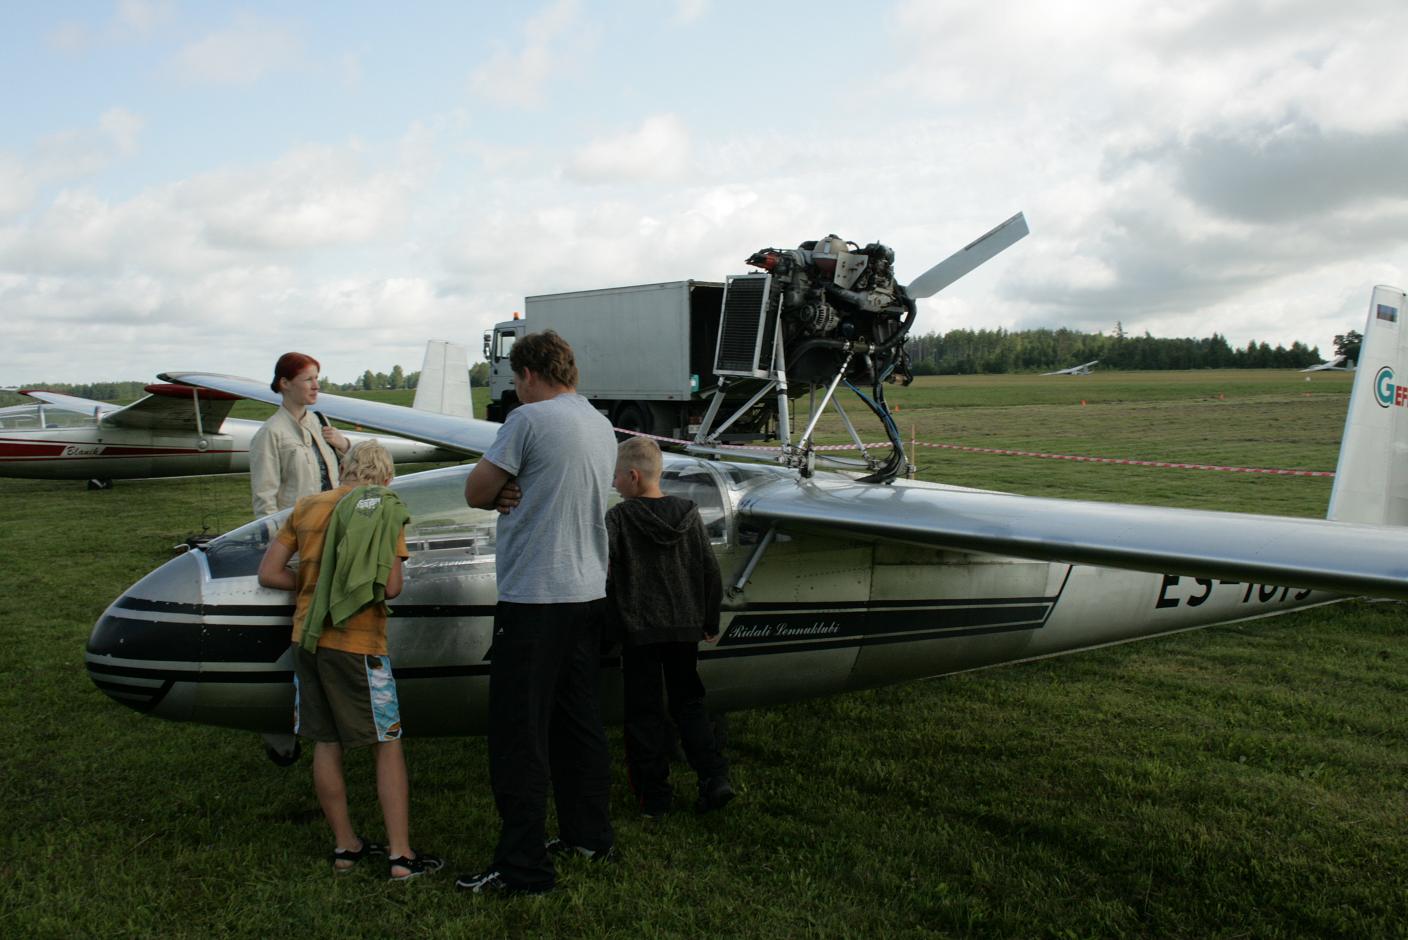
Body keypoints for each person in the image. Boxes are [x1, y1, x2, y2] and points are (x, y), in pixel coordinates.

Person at [456, 330, 617, 897]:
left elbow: (477, 491)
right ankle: (589, 835)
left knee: (518, 733)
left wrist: (504, 486)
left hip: (534, 597)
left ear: (527, 374)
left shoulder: (527, 420)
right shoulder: (599, 423)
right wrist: (513, 485)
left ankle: (523, 867)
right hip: (586, 591)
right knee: (578, 723)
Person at [257, 440, 442, 881]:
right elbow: (391, 587)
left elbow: (269, 572)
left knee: (325, 740)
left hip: (307, 638)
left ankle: (346, 848)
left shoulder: (305, 507)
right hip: (358, 645)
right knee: (387, 742)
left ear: (344, 468)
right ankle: (400, 857)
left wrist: (314, 587)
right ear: (386, 477)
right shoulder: (382, 508)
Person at [606, 436, 733, 816]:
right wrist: (709, 619)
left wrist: (608, 630)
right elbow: (709, 571)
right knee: (689, 704)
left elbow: (608, 577)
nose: (613, 484)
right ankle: (714, 776)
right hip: (684, 630)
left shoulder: (619, 519)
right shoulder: (690, 514)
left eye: (615, 477)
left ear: (632, 476)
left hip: (640, 632)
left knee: (644, 714)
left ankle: (654, 799)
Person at [249, 352, 350, 517]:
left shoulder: (320, 422)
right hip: (297, 533)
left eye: (316, 378)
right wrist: (278, 538)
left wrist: (344, 445)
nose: (316, 385)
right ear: (285, 383)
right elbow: (264, 499)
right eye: (308, 379)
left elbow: (351, 472)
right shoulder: (270, 433)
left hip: (332, 526)